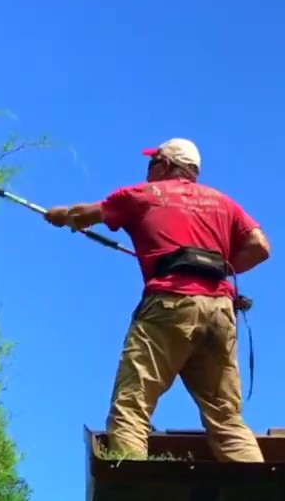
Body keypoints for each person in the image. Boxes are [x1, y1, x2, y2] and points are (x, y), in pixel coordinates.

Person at [42, 138, 271, 463]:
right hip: (220, 311)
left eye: (152, 163)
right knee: (227, 420)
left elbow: (84, 214)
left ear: (165, 165)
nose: (148, 170)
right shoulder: (224, 202)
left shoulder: (141, 195)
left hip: (169, 305)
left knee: (132, 405)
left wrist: (60, 215)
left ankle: (131, 496)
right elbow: (260, 246)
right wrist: (218, 266)